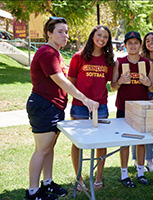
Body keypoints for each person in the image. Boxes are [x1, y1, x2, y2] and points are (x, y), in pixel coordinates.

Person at [24, 17, 99, 200]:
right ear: (49, 33)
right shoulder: (47, 53)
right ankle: (33, 192)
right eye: (60, 31)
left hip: (54, 107)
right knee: (41, 149)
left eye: (66, 31)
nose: (65, 35)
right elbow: (61, 81)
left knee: (49, 148)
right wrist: (84, 98)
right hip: (44, 106)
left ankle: (47, 183)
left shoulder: (55, 53)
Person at [68, 25, 115, 191]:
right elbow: (70, 81)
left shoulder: (108, 60)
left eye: (105, 37)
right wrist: (78, 99)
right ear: (92, 36)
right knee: (78, 142)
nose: (102, 39)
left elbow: (113, 84)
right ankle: (79, 178)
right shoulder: (78, 56)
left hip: (101, 106)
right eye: (99, 35)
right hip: (80, 106)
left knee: (101, 142)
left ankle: (99, 177)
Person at [111, 31, 153, 187]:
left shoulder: (147, 63)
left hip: (141, 108)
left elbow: (152, 88)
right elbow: (113, 87)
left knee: (141, 141)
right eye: (130, 43)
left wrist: (147, 82)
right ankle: (124, 174)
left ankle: (141, 173)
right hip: (124, 107)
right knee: (125, 141)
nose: (133, 46)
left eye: (136, 43)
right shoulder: (120, 62)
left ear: (140, 45)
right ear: (125, 45)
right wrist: (121, 81)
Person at [130, 32, 153, 172]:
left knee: (151, 128)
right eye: (148, 40)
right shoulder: (141, 58)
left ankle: (150, 160)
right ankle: (136, 160)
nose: (151, 42)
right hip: (140, 94)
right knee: (138, 127)